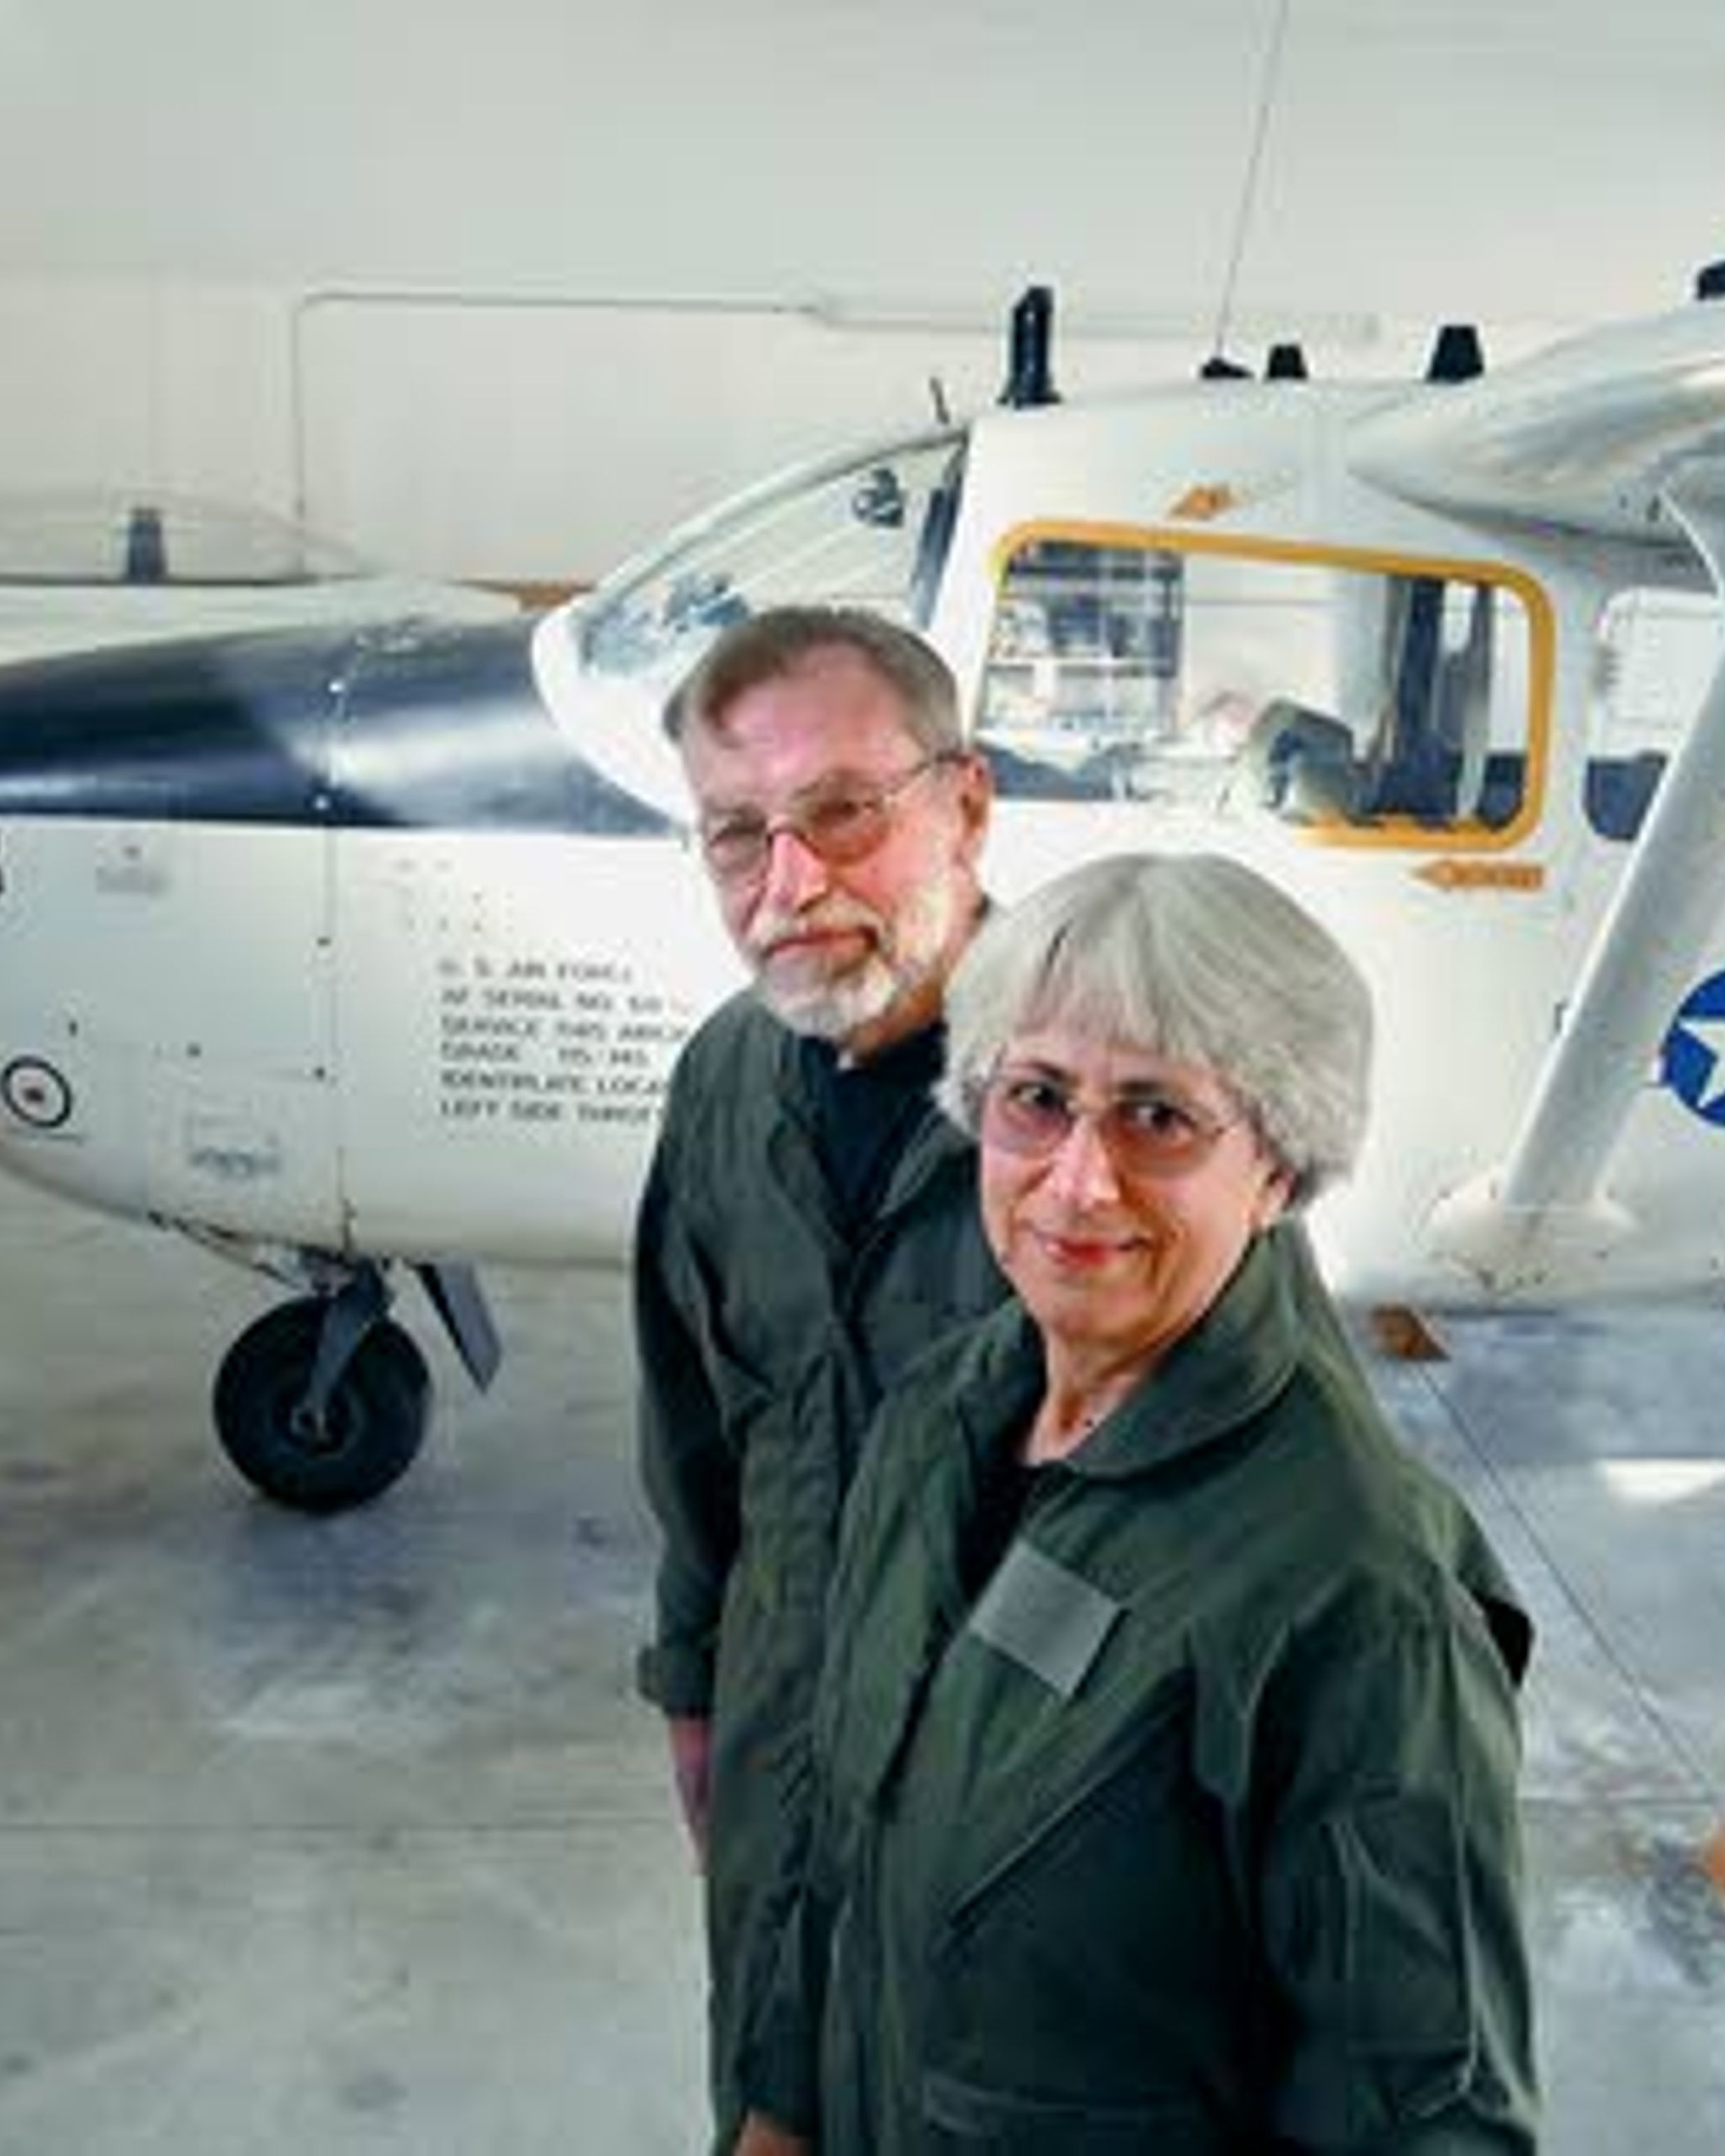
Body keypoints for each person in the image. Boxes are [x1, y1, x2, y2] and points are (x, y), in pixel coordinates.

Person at [745, 852, 1538, 2153]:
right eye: (1038, 1099)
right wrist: (780, 2110)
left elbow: (1431, 2120)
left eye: (1158, 1117)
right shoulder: (936, 1423)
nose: (1076, 1180)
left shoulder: (1358, 1589)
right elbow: (848, 1842)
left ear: (1279, 1167)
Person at [630, 606, 1008, 2156]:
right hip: (784, 1766)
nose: (791, 887)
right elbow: (692, 1427)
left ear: (966, 805)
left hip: (1016, 1798)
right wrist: (698, 1687)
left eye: (844, 812)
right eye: (736, 836)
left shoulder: (1113, 1103)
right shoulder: (726, 1079)